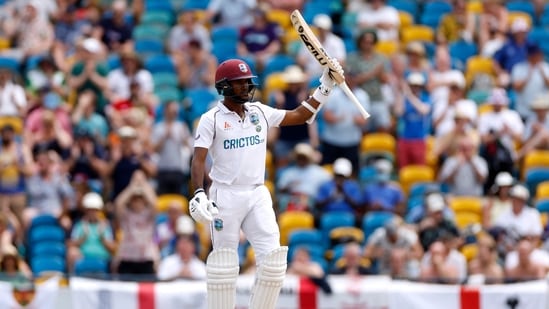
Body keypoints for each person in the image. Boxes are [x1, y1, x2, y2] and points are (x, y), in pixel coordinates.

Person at [189, 57, 343, 309]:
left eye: (248, 81)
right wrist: (198, 193)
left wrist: (325, 85)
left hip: (257, 192)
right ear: (224, 86)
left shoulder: (259, 111)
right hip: (225, 195)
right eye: (239, 83)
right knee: (224, 266)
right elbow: (198, 160)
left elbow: (301, 115)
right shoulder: (211, 118)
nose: (246, 86)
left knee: (273, 262)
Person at [67, 192, 116, 273]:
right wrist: (82, 238)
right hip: (83, 256)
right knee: (72, 252)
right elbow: (69, 244)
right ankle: (72, 280)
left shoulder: (106, 225)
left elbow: (113, 248)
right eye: (89, 210)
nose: (92, 213)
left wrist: (102, 237)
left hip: (102, 257)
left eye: (95, 210)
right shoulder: (79, 225)